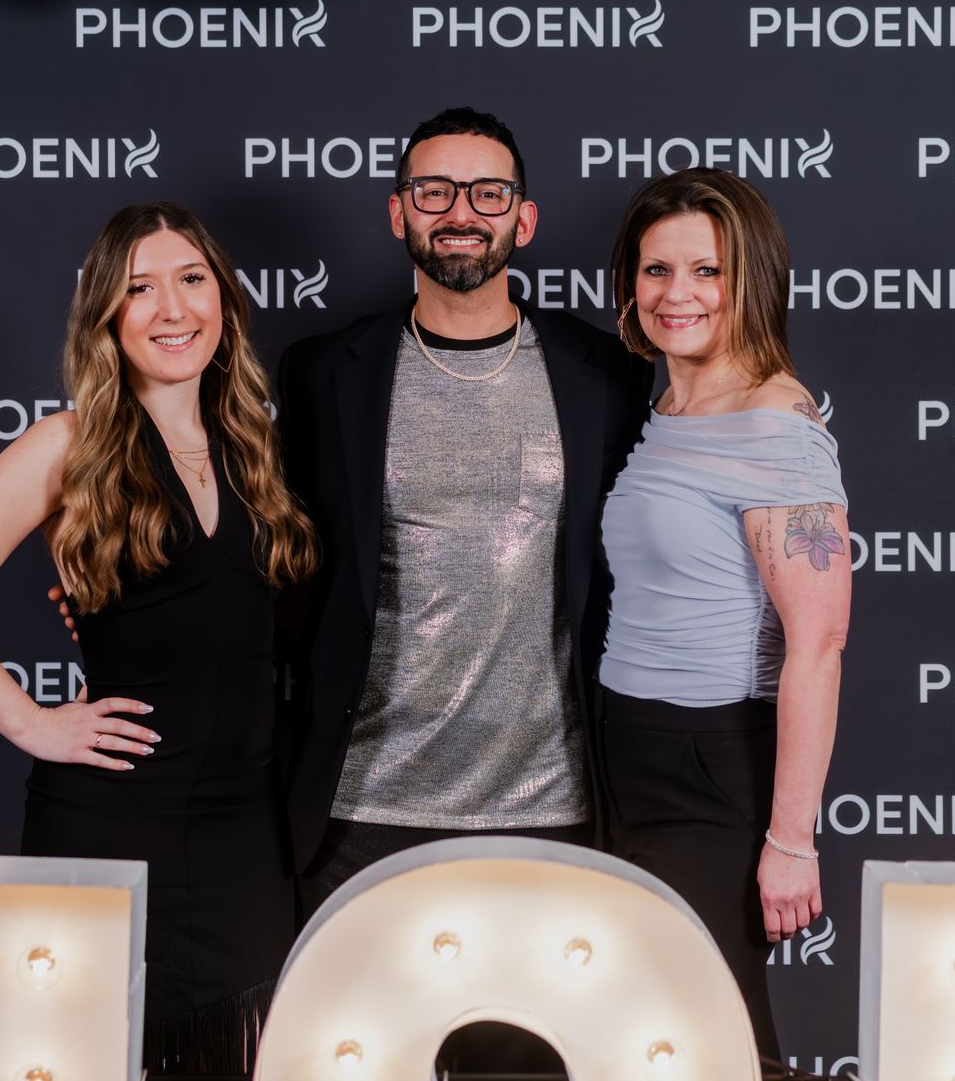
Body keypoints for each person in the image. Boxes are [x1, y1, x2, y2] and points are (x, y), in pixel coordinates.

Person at [0, 202, 317, 1076]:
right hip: (113, 820)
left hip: (247, 835)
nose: (173, 308)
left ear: (224, 301)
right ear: (108, 321)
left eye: (192, 281)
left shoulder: (259, 449)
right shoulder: (69, 445)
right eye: (140, 289)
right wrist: (29, 721)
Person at [273, 106, 652, 916]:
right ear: (397, 210)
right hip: (361, 808)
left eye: (487, 194)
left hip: (554, 806)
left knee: (535, 1046)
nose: (460, 214)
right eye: (435, 191)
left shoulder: (606, 375)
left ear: (524, 217)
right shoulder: (322, 372)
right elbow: (277, 551)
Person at [597, 167, 851, 1063]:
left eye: (707, 272)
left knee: (716, 1026)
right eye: (657, 270)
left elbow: (818, 644)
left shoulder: (773, 422)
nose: (678, 295)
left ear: (752, 281)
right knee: (638, 1027)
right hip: (622, 746)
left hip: (708, 761)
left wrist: (791, 839)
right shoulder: (670, 403)